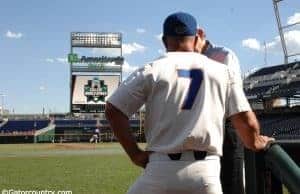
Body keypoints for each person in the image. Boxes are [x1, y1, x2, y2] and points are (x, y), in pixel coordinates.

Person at [105, 12, 274, 194]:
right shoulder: (222, 71)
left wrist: (135, 155)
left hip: (159, 168)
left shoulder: (152, 69)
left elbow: (113, 109)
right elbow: (244, 120)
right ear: (195, 38)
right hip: (206, 172)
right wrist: (256, 141)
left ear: (164, 41)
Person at [195, 30, 246, 194]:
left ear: (200, 34)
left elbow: (232, 95)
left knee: (231, 179)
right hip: (202, 128)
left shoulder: (223, 55)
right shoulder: (189, 59)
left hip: (225, 124)